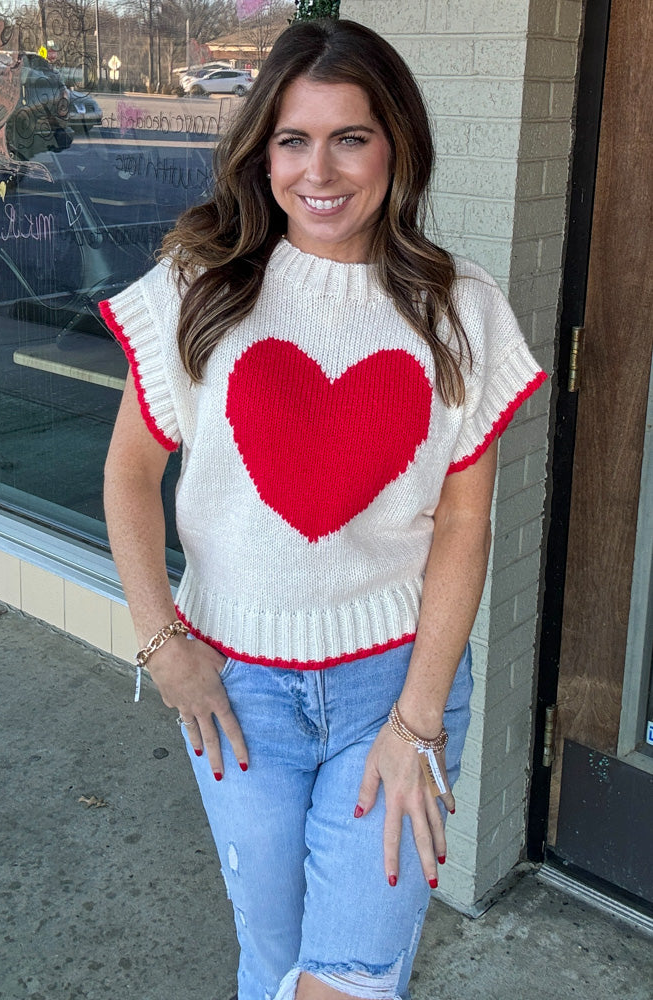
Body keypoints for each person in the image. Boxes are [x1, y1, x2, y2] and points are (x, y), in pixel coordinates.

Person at [101, 17, 546, 1000]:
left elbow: (463, 524)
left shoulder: (458, 308)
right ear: (262, 154)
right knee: (273, 959)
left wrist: (416, 721)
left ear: (396, 145)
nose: (320, 170)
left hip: (396, 687)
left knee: (348, 980)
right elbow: (131, 472)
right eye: (293, 140)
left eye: (351, 137)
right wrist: (161, 644)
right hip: (236, 693)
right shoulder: (199, 287)